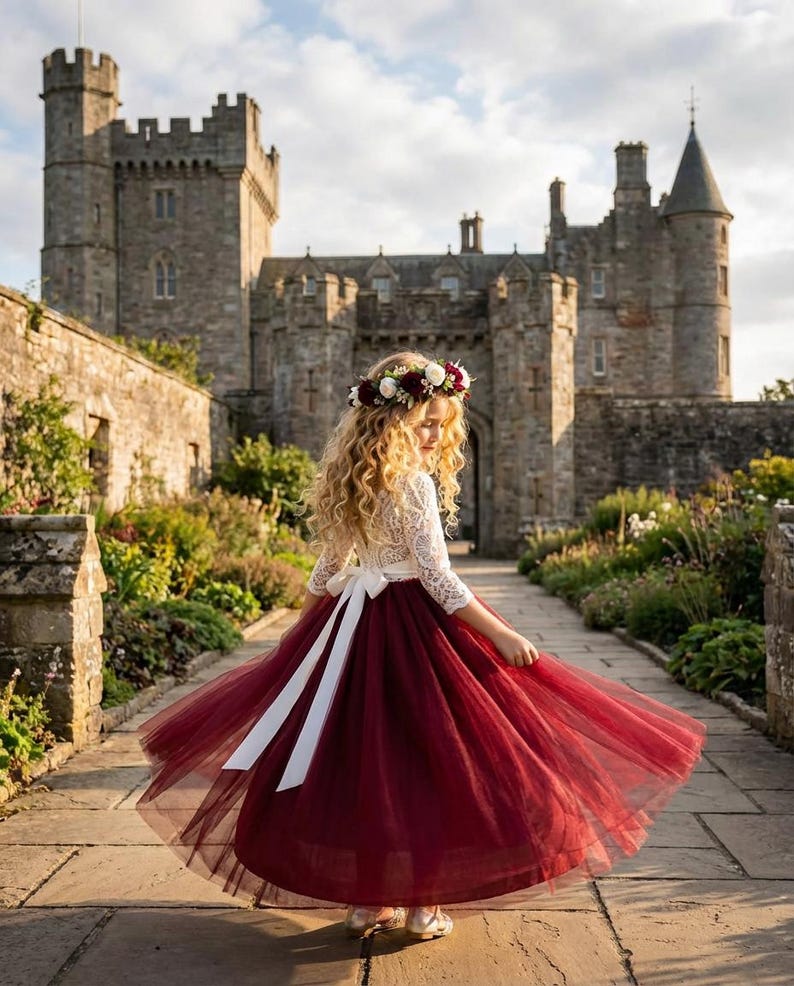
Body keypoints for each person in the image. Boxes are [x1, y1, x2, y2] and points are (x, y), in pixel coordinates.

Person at [136, 351, 706, 943]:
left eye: (443, 422)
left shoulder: (347, 481)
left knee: (360, 763)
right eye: (426, 422)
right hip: (413, 631)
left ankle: (368, 899)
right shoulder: (412, 484)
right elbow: (437, 579)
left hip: (351, 629)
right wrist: (502, 633)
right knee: (426, 766)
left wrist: (302, 632)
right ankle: (419, 905)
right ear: (391, 421)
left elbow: (326, 571)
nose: (437, 433)